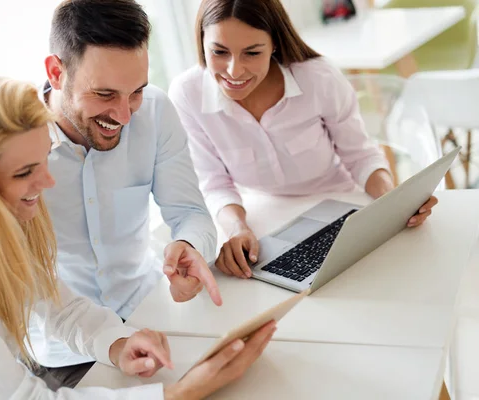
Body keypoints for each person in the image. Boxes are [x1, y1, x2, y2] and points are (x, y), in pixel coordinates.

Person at [0, 0, 222, 388]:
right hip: (57, 359)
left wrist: (117, 342)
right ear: (56, 73)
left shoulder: (8, 209)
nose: (126, 115)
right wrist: (179, 394)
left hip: (136, 318)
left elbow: (54, 300)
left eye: (136, 93)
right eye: (105, 93)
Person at [0, 72, 276, 400]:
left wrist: (117, 344)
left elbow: (60, 308)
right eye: (24, 173)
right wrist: (178, 394)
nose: (48, 181)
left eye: (43, 161)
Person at [168, 0, 438, 280]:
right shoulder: (188, 94)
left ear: (274, 43)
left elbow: (360, 157)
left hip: (341, 205)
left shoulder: (318, 78)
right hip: (265, 219)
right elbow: (214, 184)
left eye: (252, 53)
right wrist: (237, 229)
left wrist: (394, 202)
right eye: (219, 51)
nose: (234, 71)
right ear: (201, 43)